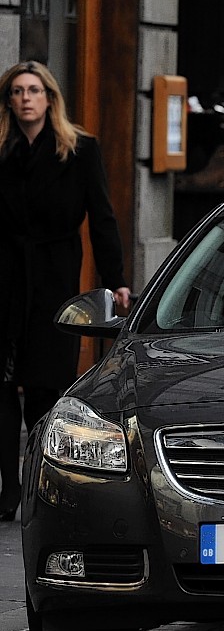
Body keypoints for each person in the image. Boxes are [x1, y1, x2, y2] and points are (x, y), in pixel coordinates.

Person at [0, 61, 130, 520]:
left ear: (49, 98)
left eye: (33, 90)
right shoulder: (3, 150)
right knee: (2, 386)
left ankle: (40, 481)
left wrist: (115, 279)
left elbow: (102, 217)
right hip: (6, 278)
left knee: (43, 386)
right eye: (16, 91)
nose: (25, 99)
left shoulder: (79, 150)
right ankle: (8, 489)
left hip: (55, 277)